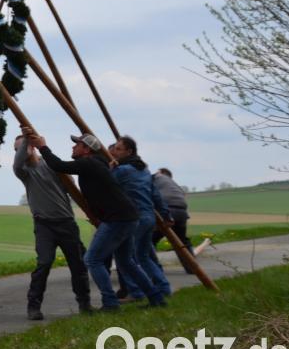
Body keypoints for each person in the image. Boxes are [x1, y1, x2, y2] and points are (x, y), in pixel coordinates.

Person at [24, 127, 166, 310]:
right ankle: (156, 298)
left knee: (92, 259)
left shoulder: (88, 163)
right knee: (126, 262)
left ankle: (110, 302)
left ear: (87, 150)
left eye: (77, 144)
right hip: (127, 217)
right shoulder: (96, 163)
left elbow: (59, 166)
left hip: (117, 219)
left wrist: (43, 147)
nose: (73, 147)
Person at [12, 135, 92, 320]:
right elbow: (16, 164)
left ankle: (84, 303)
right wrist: (26, 141)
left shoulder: (51, 166)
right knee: (44, 263)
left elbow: (70, 185)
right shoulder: (24, 171)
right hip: (44, 224)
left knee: (77, 264)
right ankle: (33, 306)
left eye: (23, 148)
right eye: (17, 150)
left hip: (66, 222)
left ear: (33, 147)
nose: (20, 153)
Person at [108, 136, 172, 301]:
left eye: (118, 149)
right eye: (115, 148)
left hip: (135, 218)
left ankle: (136, 292)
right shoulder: (144, 170)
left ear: (129, 151)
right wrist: (165, 214)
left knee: (125, 258)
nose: (114, 151)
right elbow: (155, 195)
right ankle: (164, 287)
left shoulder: (122, 170)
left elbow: (106, 185)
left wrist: (110, 169)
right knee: (143, 257)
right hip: (149, 217)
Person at [153, 168, 195, 273]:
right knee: (181, 241)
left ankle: (154, 270)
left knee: (149, 240)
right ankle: (192, 268)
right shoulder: (174, 184)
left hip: (167, 210)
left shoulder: (157, 177)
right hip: (182, 212)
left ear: (162, 173)